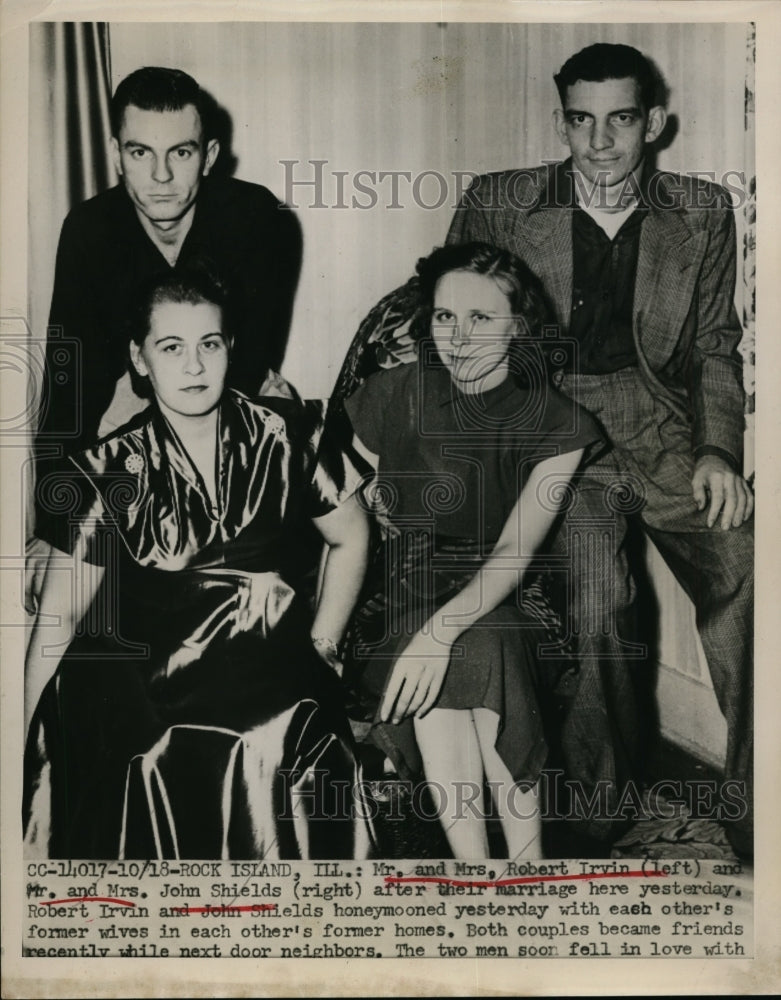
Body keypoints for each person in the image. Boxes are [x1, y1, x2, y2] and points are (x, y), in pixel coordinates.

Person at [446, 43, 753, 853]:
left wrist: (717, 450)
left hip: (658, 421)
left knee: (749, 564)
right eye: (581, 122)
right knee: (596, 592)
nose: (601, 144)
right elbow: (447, 319)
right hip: (554, 423)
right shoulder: (501, 202)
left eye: (620, 121)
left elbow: (713, 346)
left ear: (653, 123)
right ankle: (600, 811)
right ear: (562, 123)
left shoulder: (702, 210)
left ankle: (761, 794)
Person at [24, 267, 372, 860]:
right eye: (171, 347)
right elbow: (58, 619)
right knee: (159, 743)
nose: (193, 366)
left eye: (209, 344)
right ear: (139, 359)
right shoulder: (109, 467)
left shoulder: (291, 432)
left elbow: (353, 537)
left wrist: (324, 644)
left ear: (229, 349)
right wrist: (17, 737)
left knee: (288, 725)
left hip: (265, 650)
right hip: (146, 662)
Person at [341, 243, 603, 859]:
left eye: (481, 319)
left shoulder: (557, 421)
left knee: (484, 644)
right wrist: (370, 498)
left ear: (520, 326)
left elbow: (517, 549)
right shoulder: (394, 392)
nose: (458, 337)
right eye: (444, 317)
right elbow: (341, 488)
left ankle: (521, 865)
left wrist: (441, 631)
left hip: (511, 590)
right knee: (453, 650)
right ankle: (479, 870)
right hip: (401, 587)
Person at [29, 66, 302, 610]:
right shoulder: (88, 230)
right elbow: (70, 386)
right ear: (113, 151)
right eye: (139, 153)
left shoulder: (258, 218)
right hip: (128, 411)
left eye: (180, 153)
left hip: (231, 403)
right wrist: (51, 527)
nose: (160, 176)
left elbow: (241, 372)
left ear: (210, 153)